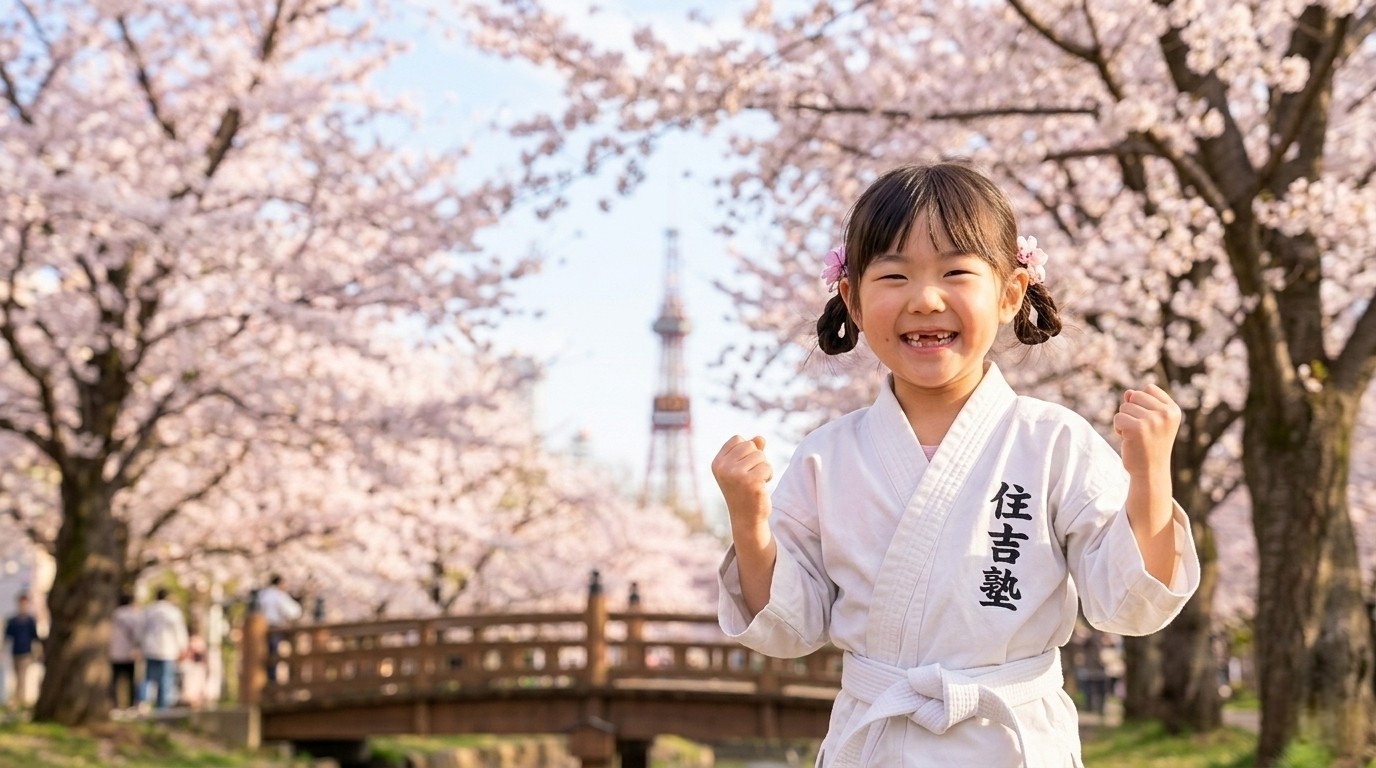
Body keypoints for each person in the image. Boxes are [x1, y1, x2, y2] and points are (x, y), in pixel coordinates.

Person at [711, 161, 1201, 767]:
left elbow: (1128, 607)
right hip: (880, 741)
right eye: (893, 275)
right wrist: (749, 519)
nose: (925, 299)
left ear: (1010, 293)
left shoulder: (1053, 442)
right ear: (853, 302)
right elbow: (790, 628)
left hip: (1013, 742)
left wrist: (1150, 478)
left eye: (955, 272)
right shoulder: (826, 457)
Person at [139, 587, 187, 710]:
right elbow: (179, 631)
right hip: (167, 650)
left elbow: (140, 630)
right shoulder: (173, 611)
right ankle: (162, 708)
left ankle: (143, 702)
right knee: (165, 680)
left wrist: (139, 644)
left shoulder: (148, 610)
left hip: (150, 648)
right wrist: (183, 647)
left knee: (148, 678)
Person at [255, 574, 301, 683]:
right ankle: (273, 680)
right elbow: (294, 612)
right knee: (274, 653)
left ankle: (267, 679)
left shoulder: (262, 594)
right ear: (279, 583)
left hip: (259, 628)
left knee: (264, 654)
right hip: (275, 627)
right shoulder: (279, 595)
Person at [3, 595, 41, 709]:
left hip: (26, 653)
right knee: (16, 676)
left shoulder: (30, 621)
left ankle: (19, 700)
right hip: (15, 652)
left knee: (22, 676)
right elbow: (7, 637)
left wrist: (38, 652)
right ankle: (17, 699)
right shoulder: (13, 621)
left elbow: (35, 638)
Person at [109, 592, 143, 710]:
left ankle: (115, 705)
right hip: (129, 652)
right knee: (131, 680)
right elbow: (138, 635)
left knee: (115, 680)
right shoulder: (134, 615)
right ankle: (131, 705)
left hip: (114, 652)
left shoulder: (112, 614)